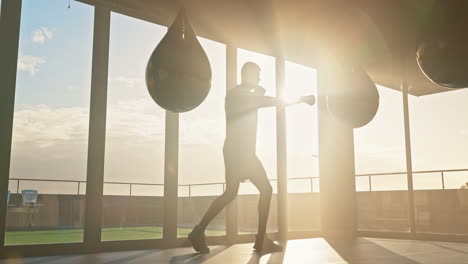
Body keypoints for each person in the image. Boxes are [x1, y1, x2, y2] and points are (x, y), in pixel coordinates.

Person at [188, 62, 314, 254]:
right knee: (264, 189)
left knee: (233, 193)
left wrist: (258, 92)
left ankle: (199, 232)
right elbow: (272, 101)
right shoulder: (239, 95)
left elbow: (262, 101)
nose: (260, 79)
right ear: (248, 75)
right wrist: (302, 99)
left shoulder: (240, 94)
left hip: (239, 152)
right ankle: (260, 239)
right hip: (240, 153)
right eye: (258, 76)